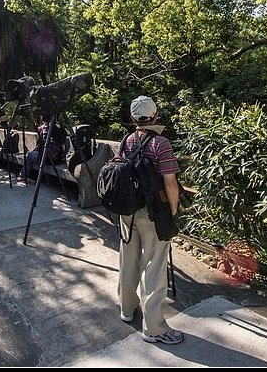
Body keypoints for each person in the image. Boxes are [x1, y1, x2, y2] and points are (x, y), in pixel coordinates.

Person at [117, 95, 184, 345]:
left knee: (128, 258)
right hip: (153, 213)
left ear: (134, 118)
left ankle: (126, 309)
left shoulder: (127, 140)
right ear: (155, 115)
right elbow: (170, 181)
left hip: (127, 211)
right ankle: (154, 329)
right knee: (154, 267)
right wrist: (173, 210)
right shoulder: (160, 143)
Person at [18, 114, 64, 183]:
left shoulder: (42, 129)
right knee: (38, 149)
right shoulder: (58, 129)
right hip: (57, 158)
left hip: (46, 158)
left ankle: (23, 176)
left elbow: (36, 127)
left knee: (29, 156)